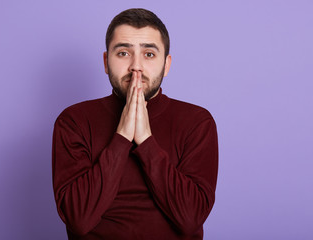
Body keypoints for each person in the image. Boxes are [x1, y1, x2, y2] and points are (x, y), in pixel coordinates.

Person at [52, 8, 218, 240]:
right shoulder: (73, 121)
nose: (135, 66)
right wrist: (122, 137)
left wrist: (146, 140)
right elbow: (79, 219)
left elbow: (190, 219)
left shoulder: (197, 122)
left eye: (149, 54)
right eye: (123, 53)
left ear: (166, 65)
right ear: (106, 61)